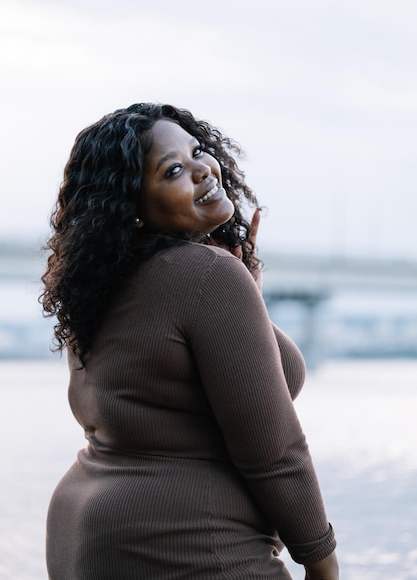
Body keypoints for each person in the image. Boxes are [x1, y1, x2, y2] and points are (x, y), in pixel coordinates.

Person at [41, 102, 339, 580]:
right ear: (133, 204)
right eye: (174, 169)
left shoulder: (96, 284)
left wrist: (249, 295)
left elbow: (248, 379)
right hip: (183, 546)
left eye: (198, 151)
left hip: (91, 538)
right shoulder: (206, 275)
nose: (203, 169)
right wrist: (322, 560)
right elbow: (274, 448)